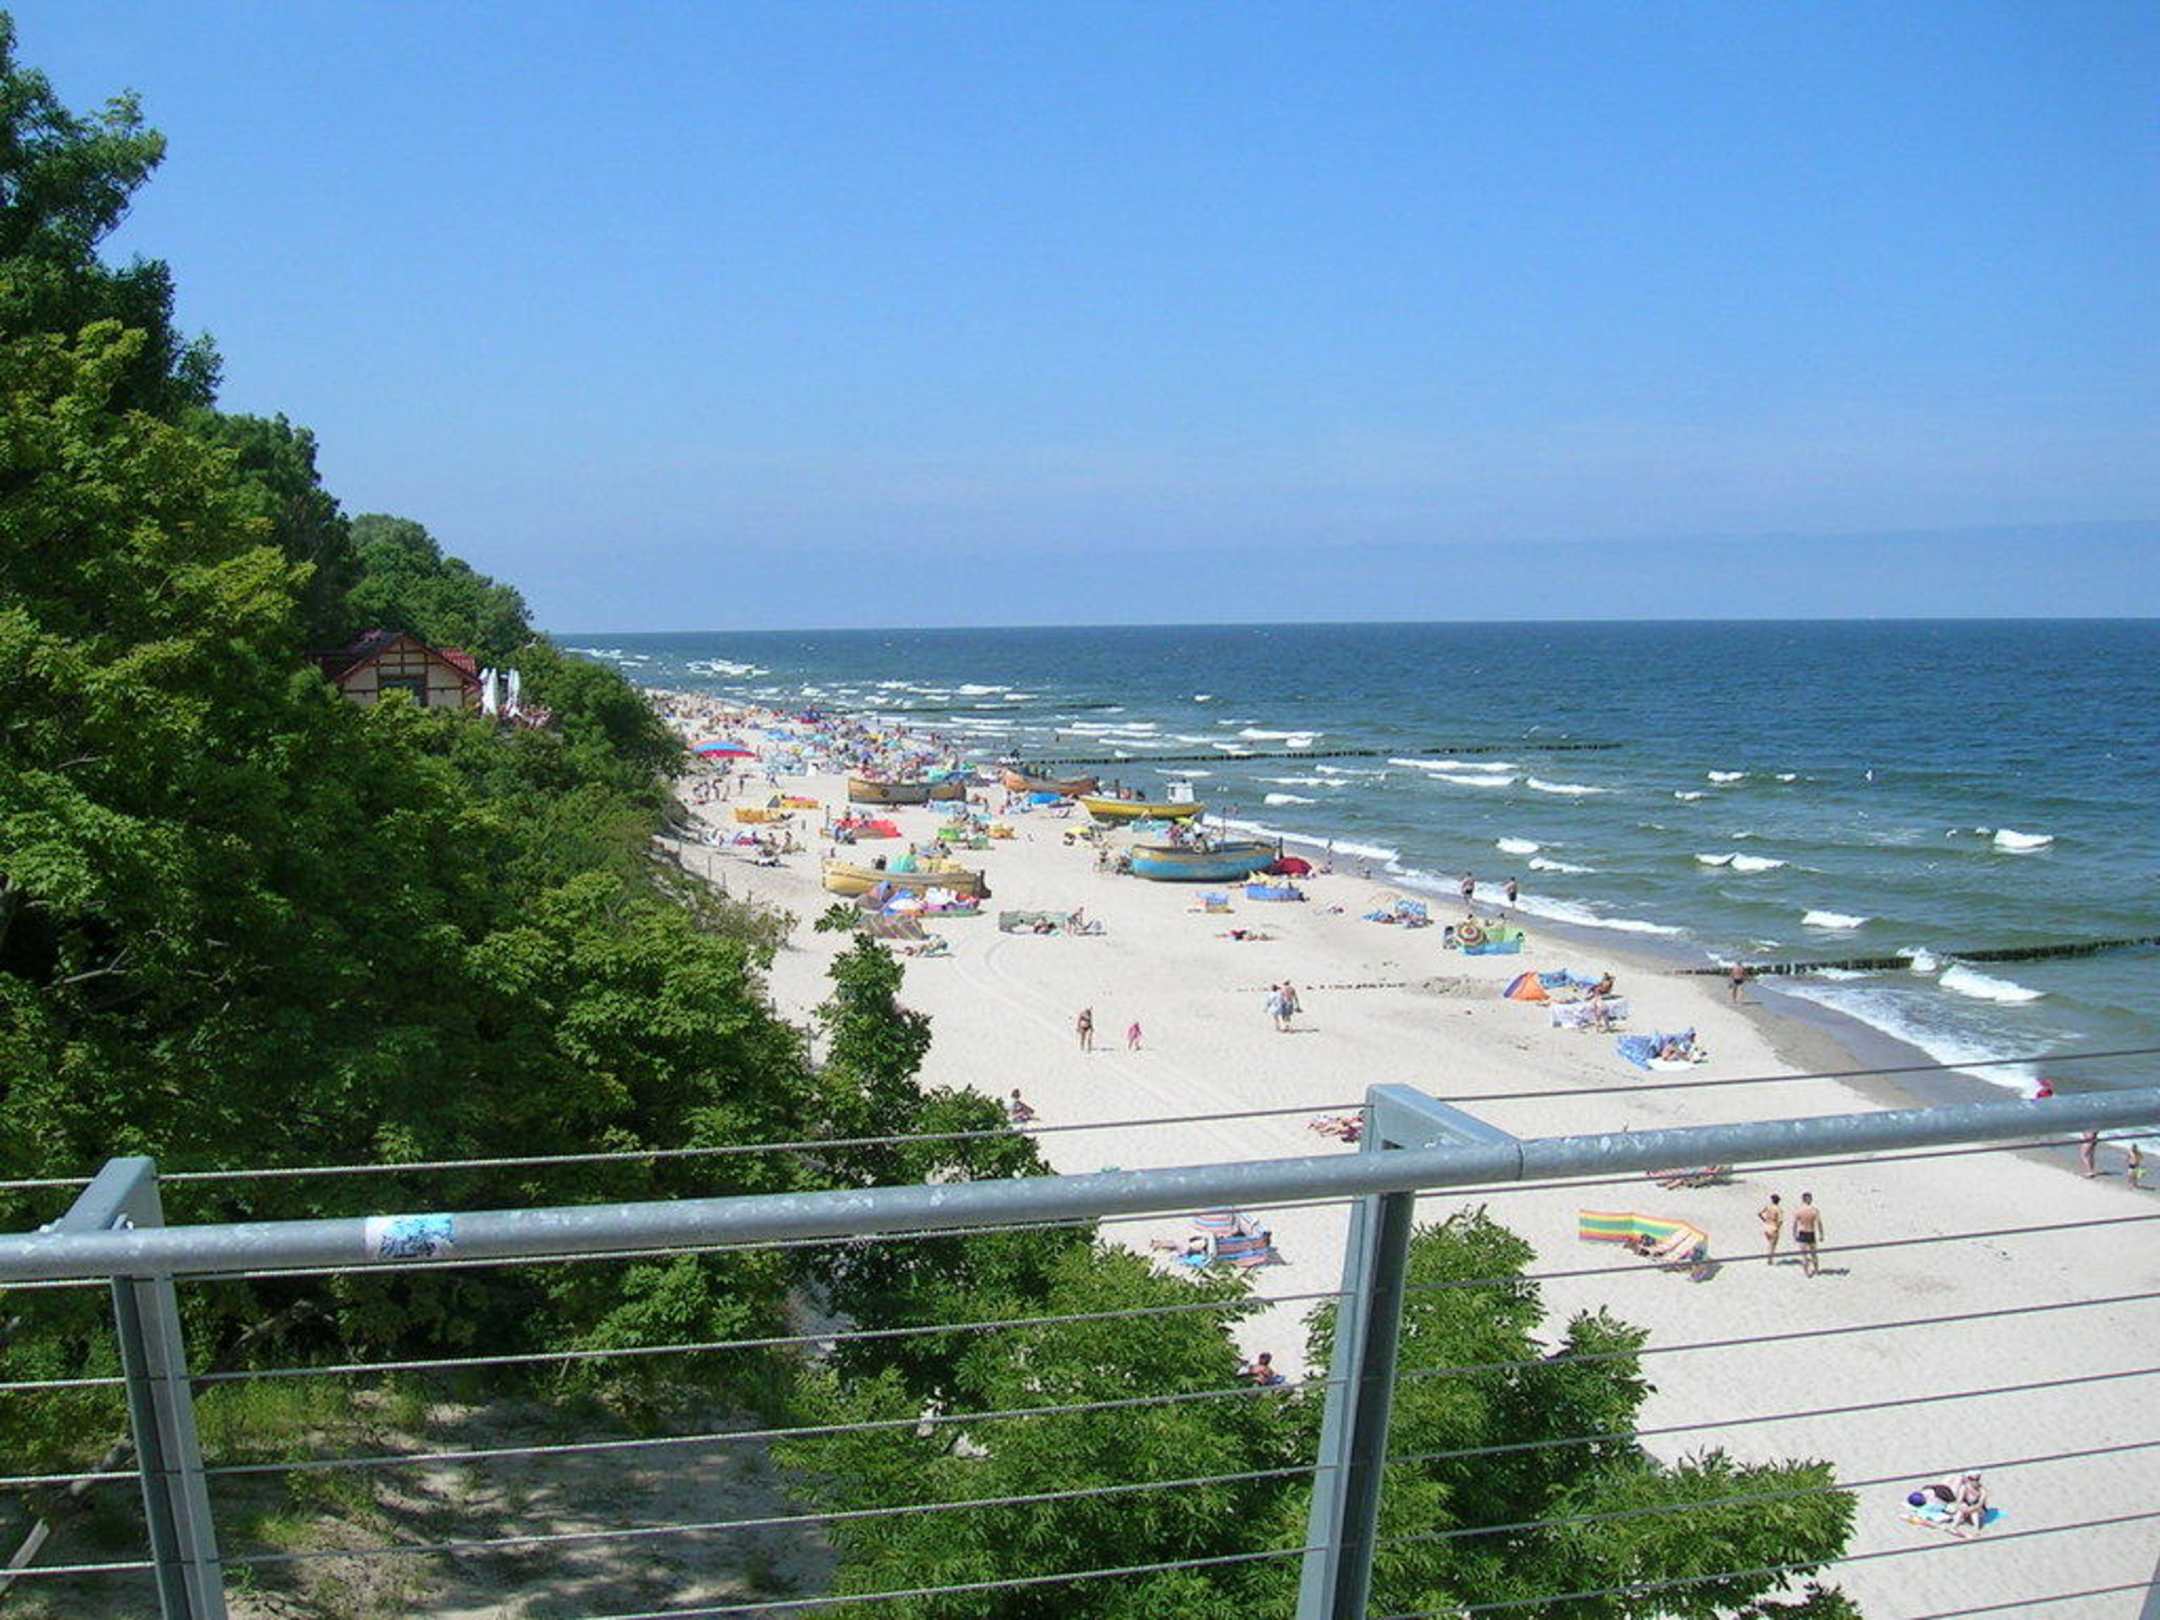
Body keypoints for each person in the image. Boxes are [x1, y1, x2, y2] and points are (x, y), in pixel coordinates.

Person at [1792, 1191, 1823, 1277]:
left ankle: (1807, 1273)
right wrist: (1821, 1234)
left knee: (1804, 1255)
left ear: (1803, 1199)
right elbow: (1819, 1223)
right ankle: (1816, 1270)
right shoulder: (1814, 1210)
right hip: (1811, 1232)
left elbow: (1795, 1224)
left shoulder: (1798, 1210)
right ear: (1810, 1199)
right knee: (1814, 1254)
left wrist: (1794, 1234)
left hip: (1802, 1233)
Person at [1948, 1473, 1989, 1538]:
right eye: (1972, 1479)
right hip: (1966, 1509)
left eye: (1977, 1479)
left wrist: (1970, 1509)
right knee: (1963, 1507)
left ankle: (1976, 1530)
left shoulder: (1982, 1490)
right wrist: (1964, 1508)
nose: (1974, 1481)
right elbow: (1959, 1502)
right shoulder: (1964, 1488)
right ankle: (1954, 1526)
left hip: (1978, 1511)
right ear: (1968, 1479)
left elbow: (1979, 1505)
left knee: (1974, 1511)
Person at [1758, 1193, 1783, 1265]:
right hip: (1773, 1226)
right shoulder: (1778, 1209)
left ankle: (1769, 1258)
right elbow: (1780, 1221)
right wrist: (1778, 1228)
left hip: (1766, 1226)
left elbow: (1759, 1214)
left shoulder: (1768, 1207)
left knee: (1769, 1243)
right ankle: (1770, 1259)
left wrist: (1764, 1220)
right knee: (1773, 1245)